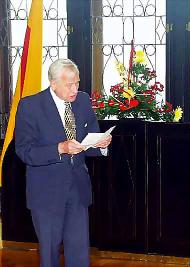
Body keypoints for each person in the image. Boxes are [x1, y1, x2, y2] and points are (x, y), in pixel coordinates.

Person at [15, 58, 112, 267]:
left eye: (77, 83)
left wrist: (101, 144)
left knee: (79, 254)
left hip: (77, 189)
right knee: (49, 255)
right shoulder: (30, 106)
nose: (75, 89)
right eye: (69, 84)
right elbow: (24, 151)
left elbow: (90, 138)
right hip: (46, 193)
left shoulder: (83, 100)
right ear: (53, 83)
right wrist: (60, 148)